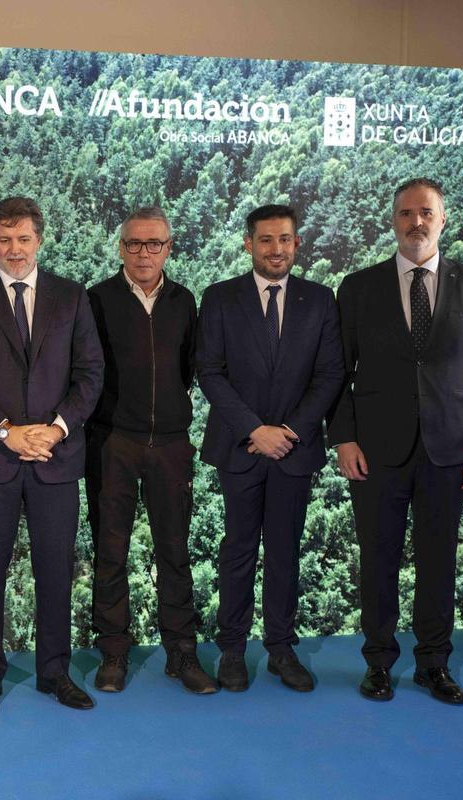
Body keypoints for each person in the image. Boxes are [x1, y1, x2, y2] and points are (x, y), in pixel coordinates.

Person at [329, 178, 463, 705]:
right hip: (376, 451)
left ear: (442, 219)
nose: (416, 222)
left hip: (450, 450)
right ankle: (378, 663)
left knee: (439, 562)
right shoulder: (358, 287)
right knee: (378, 559)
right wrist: (344, 439)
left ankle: (434, 664)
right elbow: (338, 373)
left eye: (426, 212)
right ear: (393, 221)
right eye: (406, 213)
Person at [0, 196, 104, 716]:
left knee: (56, 570)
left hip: (56, 457)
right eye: (5, 240)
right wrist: (6, 431)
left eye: (24, 239)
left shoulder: (72, 297)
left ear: (40, 240)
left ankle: (55, 673)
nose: (15, 249)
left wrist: (55, 430)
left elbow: (90, 374)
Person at [196, 204, 343, 693]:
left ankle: (281, 649)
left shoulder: (320, 300)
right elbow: (209, 371)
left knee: (284, 551)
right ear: (248, 244)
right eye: (265, 240)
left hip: (294, 450)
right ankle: (232, 650)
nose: (276, 249)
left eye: (284, 239)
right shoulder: (220, 298)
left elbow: (330, 375)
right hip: (241, 447)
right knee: (237, 550)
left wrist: (290, 431)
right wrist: (254, 430)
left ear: (297, 243)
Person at [86, 207, 216, 695]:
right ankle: (113, 652)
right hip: (111, 442)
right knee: (110, 551)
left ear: (169, 248)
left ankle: (182, 653)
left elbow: (187, 370)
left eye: (154, 244)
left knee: (175, 551)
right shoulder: (96, 299)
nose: (144, 253)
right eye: (135, 244)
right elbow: (88, 370)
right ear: (121, 248)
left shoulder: (184, 301)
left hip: (171, 445)